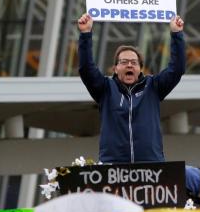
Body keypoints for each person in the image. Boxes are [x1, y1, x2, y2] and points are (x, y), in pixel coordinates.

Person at [77, 13, 185, 164]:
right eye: (124, 62)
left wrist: (176, 34)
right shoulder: (105, 89)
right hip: (114, 166)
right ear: (115, 68)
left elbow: (177, 69)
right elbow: (86, 69)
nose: (129, 65)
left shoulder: (153, 86)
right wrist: (85, 34)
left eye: (134, 62)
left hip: (150, 166)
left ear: (141, 69)